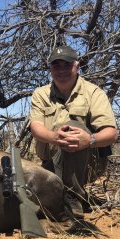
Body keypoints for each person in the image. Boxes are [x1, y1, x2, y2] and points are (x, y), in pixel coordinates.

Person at [29, 45, 118, 220]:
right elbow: (36, 128)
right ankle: (63, 194)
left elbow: (111, 134)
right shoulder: (40, 94)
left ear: (77, 67)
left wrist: (90, 140)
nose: (61, 70)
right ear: (50, 69)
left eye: (67, 65)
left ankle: (73, 197)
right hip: (51, 165)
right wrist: (55, 137)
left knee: (72, 127)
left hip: (88, 166)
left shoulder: (94, 92)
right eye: (56, 65)